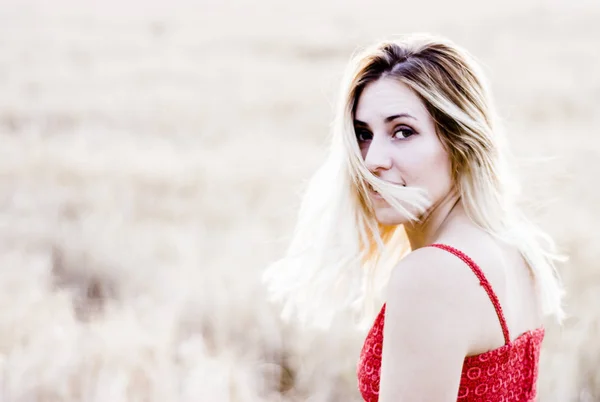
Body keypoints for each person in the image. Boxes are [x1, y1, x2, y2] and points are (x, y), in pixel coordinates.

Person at [262, 33, 565, 401]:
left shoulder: (432, 274)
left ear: (460, 144)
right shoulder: (515, 249)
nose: (373, 159)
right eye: (362, 134)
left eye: (402, 132)